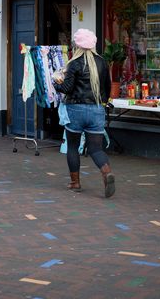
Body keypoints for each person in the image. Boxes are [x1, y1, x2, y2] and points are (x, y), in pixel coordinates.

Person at [54, 28, 115, 198]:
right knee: (96, 148)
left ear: (77, 46)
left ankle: (75, 183)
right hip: (96, 110)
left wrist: (56, 83)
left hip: (76, 109)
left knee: (73, 146)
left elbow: (66, 88)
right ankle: (107, 172)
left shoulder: (74, 63)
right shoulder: (102, 62)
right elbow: (108, 89)